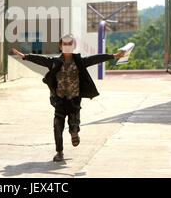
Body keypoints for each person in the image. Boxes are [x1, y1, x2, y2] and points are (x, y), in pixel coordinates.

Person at [12, 34, 125, 162]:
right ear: (60, 46)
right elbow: (41, 59)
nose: (67, 46)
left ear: (74, 46)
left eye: (69, 44)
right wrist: (26, 57)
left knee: (74, 124)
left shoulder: (79, 61)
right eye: (64, 44)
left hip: (74, 99)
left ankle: (74, 133)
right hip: (59, 100)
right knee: (57, 126)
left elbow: (95, 59)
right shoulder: (54, 62)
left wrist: (113, 56)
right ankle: (59, 152)